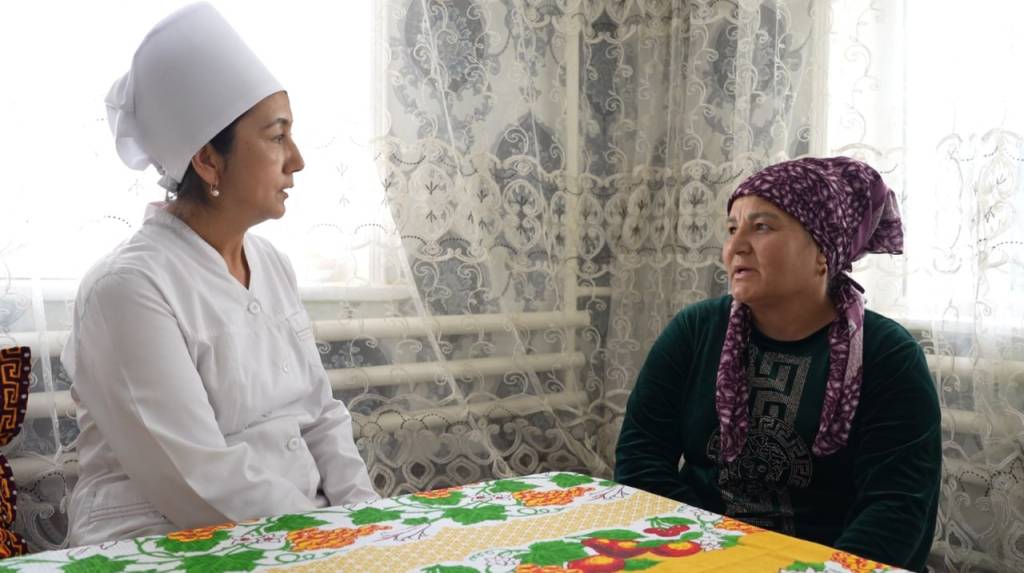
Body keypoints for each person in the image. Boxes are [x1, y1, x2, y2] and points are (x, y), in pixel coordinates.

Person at [61, 3, 376, 546]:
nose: (297, 160)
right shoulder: (127, 289)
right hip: (161, 541)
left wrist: (372, 523)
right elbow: (196, 477)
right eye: (276, 136)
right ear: (208, 159)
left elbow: (321, 416)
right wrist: (330, 540)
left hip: (298, 530)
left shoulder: (271, 265)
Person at [614, 157, 941, 572]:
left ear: (822, 251)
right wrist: (710, 554)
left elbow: (896, 510)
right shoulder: (695, 331)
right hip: (696, 554)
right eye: (731, 229)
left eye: (762, 227)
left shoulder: (888, 355)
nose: (736, 246)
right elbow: (640, 460)